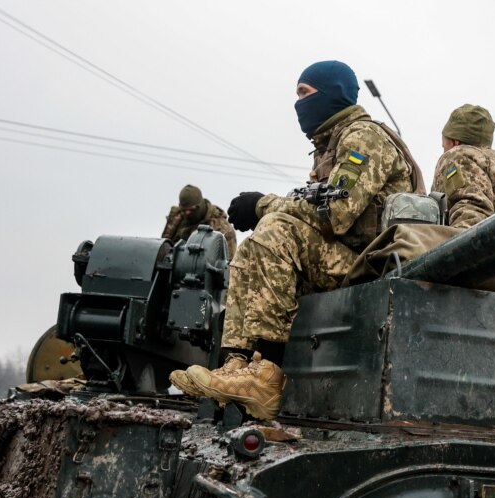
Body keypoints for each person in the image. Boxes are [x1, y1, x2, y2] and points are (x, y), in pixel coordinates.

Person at [170, 60, 422, 420]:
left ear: (333, 93)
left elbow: (335, 211)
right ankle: (236, 363)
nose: (298, 103)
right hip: (346, 255)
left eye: (305, 93)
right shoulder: (330, 143)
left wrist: (262, 204)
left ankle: (268, 375)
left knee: (276, 230)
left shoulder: (363, 137)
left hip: (370, 264)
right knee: (262, 238)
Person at [431, 104, 495, 228]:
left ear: (455, 142)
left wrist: (460, 246)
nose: (444, 150)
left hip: (479, 244)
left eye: (444, 146)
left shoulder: (457, 156)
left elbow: (471, 213)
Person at [161, 184, 237, 259]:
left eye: (192, 210)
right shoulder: (176, 219)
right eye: (184, 210)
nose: (187, 213)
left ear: (200, 206)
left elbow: (228, 262)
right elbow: (163, 247)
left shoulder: (220, 227)